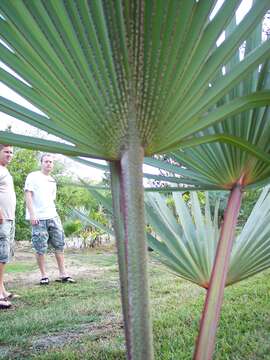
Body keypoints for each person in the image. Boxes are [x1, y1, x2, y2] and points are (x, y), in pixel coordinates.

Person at [24, 153, 75, 285]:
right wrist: (32, 215)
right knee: (40, 247)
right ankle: (43, 275)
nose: (48, 164)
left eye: (51, 162)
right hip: (38, 218)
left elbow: (52, 199)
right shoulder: (33, 176)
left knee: (59, 244)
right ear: (41, 163)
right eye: (46, 161)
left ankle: (63, 274)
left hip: (53, 216)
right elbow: (28, 195)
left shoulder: (52, 180)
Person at [0, 144, 16, 309]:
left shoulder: (5, 170)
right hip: (1, 219)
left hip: (9, 219)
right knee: (0, 255)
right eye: (6, 152)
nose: (9, 155)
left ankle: (2, 290)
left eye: (11, 152)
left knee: (4, 256)